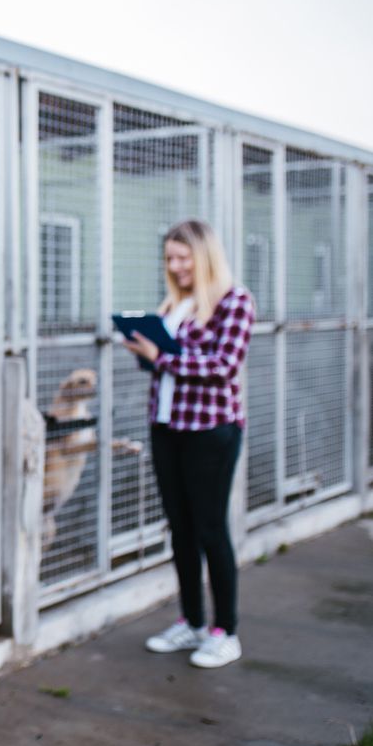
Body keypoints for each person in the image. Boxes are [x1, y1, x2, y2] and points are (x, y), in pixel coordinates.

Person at [121, 218, 254, 669]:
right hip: (167, 427)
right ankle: (193, 622)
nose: (175, 266)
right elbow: (166, 368)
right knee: (180, 529)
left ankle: (226, 632)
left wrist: (164, 356)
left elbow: (223, 366)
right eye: (169, 259)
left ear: (205, 256)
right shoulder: (173, 305)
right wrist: (147, 353)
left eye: (183, 258)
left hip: (211, 430)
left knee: (211, 529)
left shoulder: (235, 301)